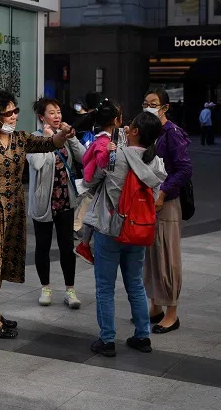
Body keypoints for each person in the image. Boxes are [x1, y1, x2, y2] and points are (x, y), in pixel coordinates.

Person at [0, 90, 76, 339]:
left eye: (15, 111)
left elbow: (50, 144)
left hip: (13, 207)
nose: (14, 116)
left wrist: (63, 135)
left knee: (1, 262)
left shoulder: (21, 139)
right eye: (8, 112)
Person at [83, 111, 167, 357]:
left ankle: (107, 339)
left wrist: (108, 154)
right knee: (135, 284)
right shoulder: (157, 163)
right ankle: (143, 336)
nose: (127, 129)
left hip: (111, 229)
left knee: (106, 286)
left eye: (131, 127)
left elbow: (91, 180)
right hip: (139, 230)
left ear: (136, 133)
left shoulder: (116, 157)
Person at [27, 97, 86, 309]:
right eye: (52, 113)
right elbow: (37, 163)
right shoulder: (33, 138)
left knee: (67, 247)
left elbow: (84, 157)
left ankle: (70, 290)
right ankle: (46, 288)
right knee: (42, 246)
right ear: (42, 117)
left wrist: (69, 138)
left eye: (59, 112)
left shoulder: (65, 138)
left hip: (65, 200)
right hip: (43, 202)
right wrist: (48, 138)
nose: (57, 116)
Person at [142, 88, 193, 334]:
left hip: (166, 201)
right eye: (145, 102)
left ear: (165, 107)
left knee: (168, 256)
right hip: (149, 201)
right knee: (152, 257)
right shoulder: (149, 132)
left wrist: (163, 193)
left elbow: (184, 169)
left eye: (153, 103)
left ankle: (171, 312)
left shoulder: (172, 133)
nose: (148, 106)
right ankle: (155, 307)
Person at [74, 99, 125, 265]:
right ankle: (84, 245)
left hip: (96, 184)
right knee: (94, 214)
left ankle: (84, 245)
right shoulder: (104, 142)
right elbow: (103, 164)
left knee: (92, 212)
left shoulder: (105, 138)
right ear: (116, 120)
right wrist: (111, 152)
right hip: (98, 185)